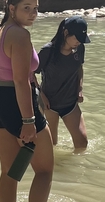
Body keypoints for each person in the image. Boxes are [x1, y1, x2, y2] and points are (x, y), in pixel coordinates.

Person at [0, 0, 54, 202]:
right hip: (18, 104)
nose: (33, 13)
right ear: (11, 8)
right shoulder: (20, 36)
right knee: (44, 170)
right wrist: (28, 120)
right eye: (27, 8)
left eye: (35, 8)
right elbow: (21, 81)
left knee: (9, 170)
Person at [37, 16, 89, 151]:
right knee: (51, 145)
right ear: (65, 33)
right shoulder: (47, 51)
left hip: (70, 103)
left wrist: (80, 89)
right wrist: (41, 96)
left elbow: (79, 68)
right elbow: (29, 74)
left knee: (82, 143)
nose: (79, 42)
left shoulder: (79, 49)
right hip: (49, 104)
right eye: (76, 38)